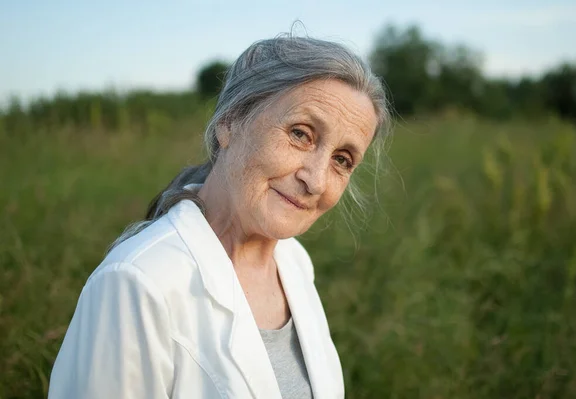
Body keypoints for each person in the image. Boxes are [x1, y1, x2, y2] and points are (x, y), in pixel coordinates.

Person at [48, 34, 391, 399]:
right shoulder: (137, 283)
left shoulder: (293, 262)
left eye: (342, 160)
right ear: (229, 122)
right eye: (300, 134)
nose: (316, 179)